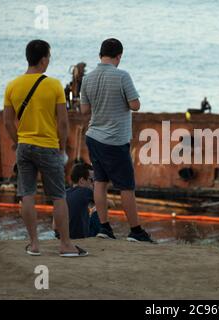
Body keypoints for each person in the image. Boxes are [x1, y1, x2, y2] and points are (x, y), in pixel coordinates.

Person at [3, 39, 88, 257]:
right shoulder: (53, 85)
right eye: (49, 57)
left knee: (27, 195)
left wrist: (18, 140)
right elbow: (62, 122)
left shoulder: (12, 85)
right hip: (48, 146)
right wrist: (61, 148)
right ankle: (65, 245)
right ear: (43, 60)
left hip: (24, 147)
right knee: (58, 196)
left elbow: (7, 121)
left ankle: (34, 245)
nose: (49, 61)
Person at [81, 38, 155, 243]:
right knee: (126, 186)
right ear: (119, 56)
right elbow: (135, 105)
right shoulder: (122, 76)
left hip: (93, 137)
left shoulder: (87, 79)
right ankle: (136, 231)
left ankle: (104, 227)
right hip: (114, 140)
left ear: (100, 55)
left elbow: (85, 110)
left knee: (100, 183)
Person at [54, 163, 101, 239]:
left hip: (62, 236)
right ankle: (106, 234)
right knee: (99, 211)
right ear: (82, 180)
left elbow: (54, 226)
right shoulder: (85, 191)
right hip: (80, 236)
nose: (94, 183)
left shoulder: (64, 193)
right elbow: (108, 203)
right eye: (92, 180)